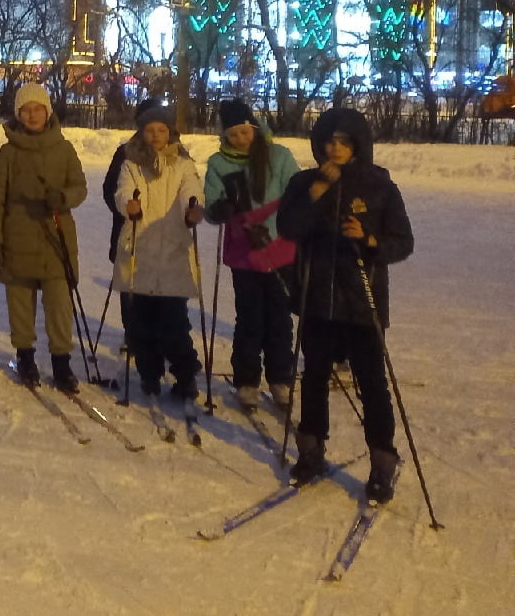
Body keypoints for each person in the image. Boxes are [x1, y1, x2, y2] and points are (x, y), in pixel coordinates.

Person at [277, 107, 412, 503]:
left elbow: (403, 242)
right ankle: (311, 450)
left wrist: (369, 240)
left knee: (372, 382)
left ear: (358, 145)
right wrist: (317, 193)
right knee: (314, 376)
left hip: (362, 298)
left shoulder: (379, 185)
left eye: (343, 142)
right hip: (316, 296)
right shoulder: (305, 182)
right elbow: (287, 228)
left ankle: (383, 462)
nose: (334, 149)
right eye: (329, 141)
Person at [0, 83, 87, 392]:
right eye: (25, 110)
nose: (32, 115)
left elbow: (80, 187)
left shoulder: (64, 148)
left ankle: (61, 361)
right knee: (20, 302)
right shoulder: (8, 152)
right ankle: (25, 356)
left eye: (37, 109)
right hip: (17, 237)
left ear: (47, 112)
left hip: (56, 239)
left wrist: (63, 197)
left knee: (58, 303)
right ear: (18, 115)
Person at [202, 99, 301, 412]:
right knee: (249, 318)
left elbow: (296, 194)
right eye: (234, 135)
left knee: (279, 318)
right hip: (244, 250)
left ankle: (280, 378)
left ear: (255, 128)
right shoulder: (218, 164)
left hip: (279, 247)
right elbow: (211, 203)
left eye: (245, 132)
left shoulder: (280, 156)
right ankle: (247, 379)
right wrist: (220, 209)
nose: (241, 140)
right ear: (225, 137)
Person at [113, 102, 206, 399]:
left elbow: (190, 189)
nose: (155, 135)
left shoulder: (182, 163)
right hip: (139, 248)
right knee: (141, 323)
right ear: (142, 132)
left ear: (170, 133)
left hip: (172, 251)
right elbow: (123, 190)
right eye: (150, 130)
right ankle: (149, 373)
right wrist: (129, 205)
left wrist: (192, 208)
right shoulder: (131, 162)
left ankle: (185, 374)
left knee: (174, 323)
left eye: (161, 130)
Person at [101, 96, 164, 265]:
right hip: (130, 235)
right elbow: (110, 189)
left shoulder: (176, 155)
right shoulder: (126, 153)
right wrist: (126, 207)